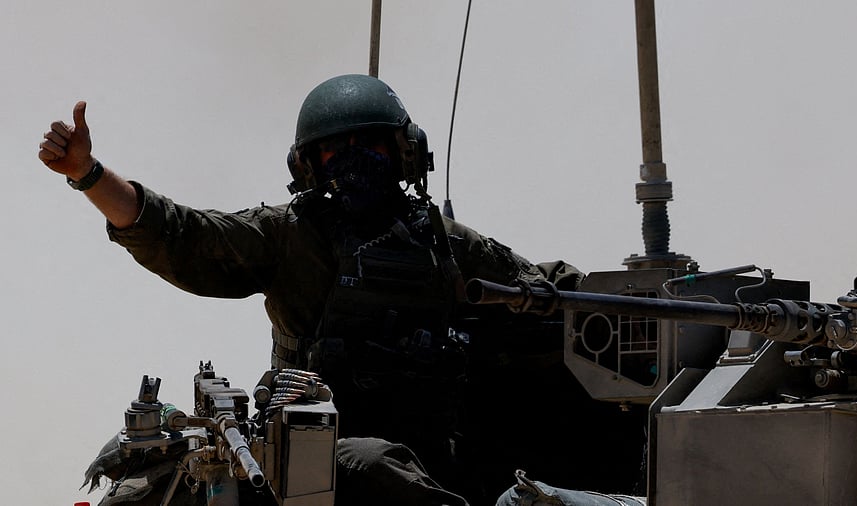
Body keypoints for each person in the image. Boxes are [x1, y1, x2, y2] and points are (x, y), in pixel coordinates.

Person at [41, 74, 578, 505]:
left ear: (405, 153)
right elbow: (183, 234)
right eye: (334, 151)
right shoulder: (290, 236)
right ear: (308, 166)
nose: (354, 160)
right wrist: (88, 174)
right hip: (311, 462)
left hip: (429, 466)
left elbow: (550, 294)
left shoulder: (450, 248)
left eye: (369, 144)